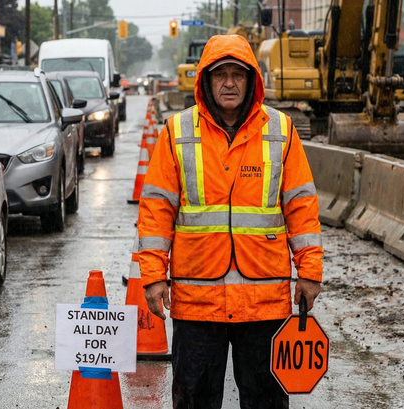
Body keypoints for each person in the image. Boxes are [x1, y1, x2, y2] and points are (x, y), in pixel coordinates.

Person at [138, 34, 323, 409]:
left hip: (264, 303)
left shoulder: (282, 131)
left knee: (266, 402)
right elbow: (157, 210)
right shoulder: (176, 133)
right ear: (205, 80)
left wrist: (310, 273)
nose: (228, 83)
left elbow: (301, 207)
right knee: (194, 401)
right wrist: (154, 277)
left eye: (237, 74)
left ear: (251, 79)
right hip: (197, 301)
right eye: (220, 74)